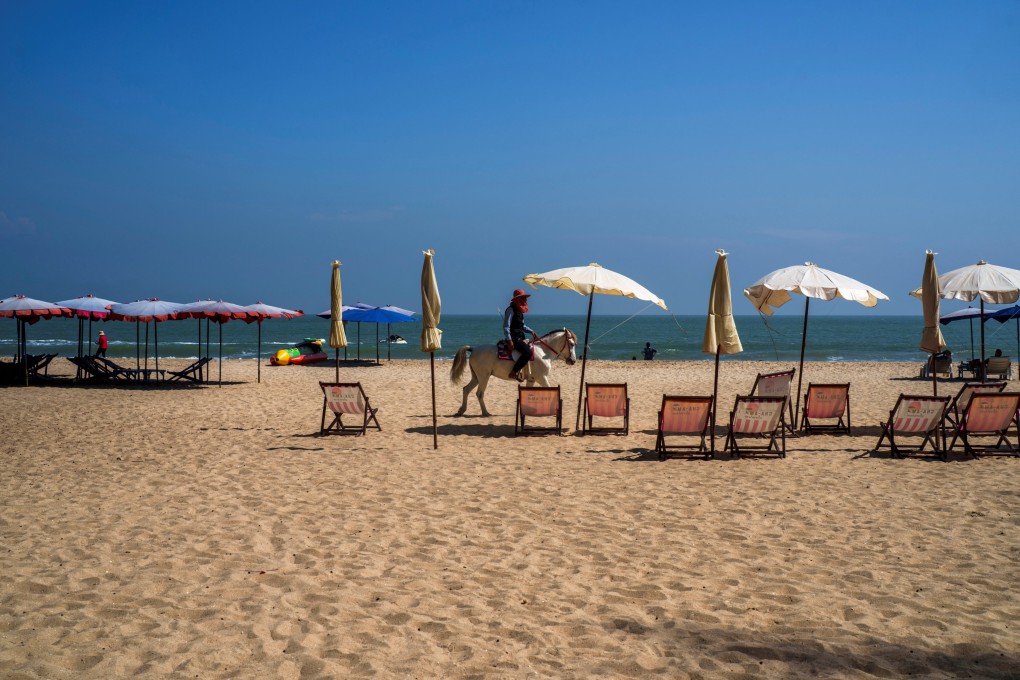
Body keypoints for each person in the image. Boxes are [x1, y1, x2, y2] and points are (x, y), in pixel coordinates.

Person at [503, 288, 536, 382]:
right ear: (517, 299)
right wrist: (509, 340)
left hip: (520, 337)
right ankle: (514, 371)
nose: (525, 300)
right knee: (528, 353)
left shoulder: (520, 311)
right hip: (514, 338)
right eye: (523, 298)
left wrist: (531, 331)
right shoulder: (510, 310)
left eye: (525, 298)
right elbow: (506, 326)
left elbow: (522, 326)